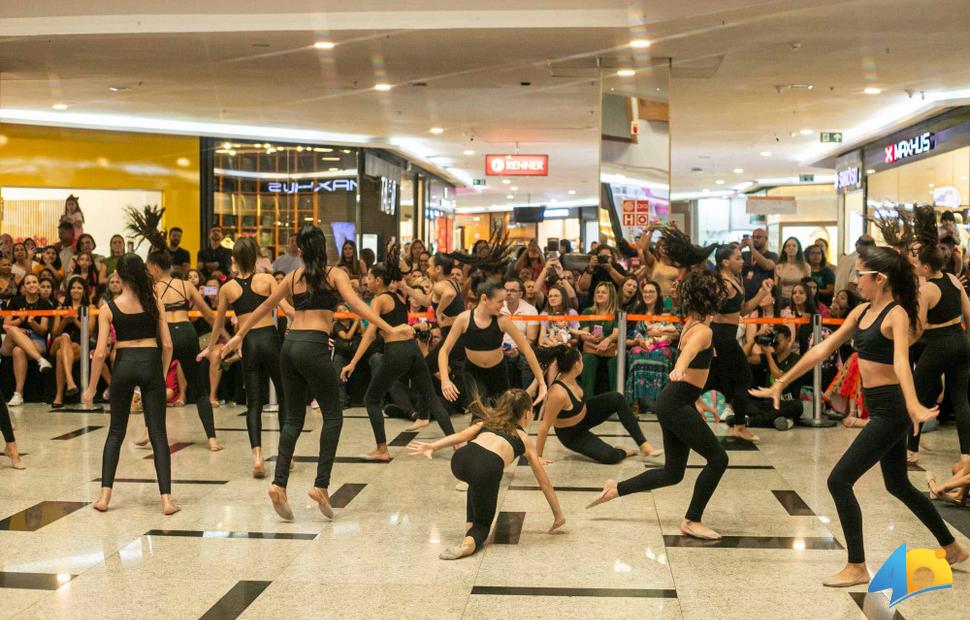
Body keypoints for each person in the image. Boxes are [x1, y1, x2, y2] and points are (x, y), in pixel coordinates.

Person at [751, 245, 969, 586]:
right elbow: (823, 348)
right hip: (881, 407)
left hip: (892, 409)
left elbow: (901, 361)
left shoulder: (896, 314)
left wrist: (912, 404)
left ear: (879, 279)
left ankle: (856, 565)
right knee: (898, 484)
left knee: (839, 480)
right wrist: (781, 382)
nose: (855, 280)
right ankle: (952, 547)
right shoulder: (862, 312)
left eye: (861, 274)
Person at [221, 224, 413, 521]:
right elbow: (358, 305)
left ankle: (279, 483)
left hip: (290, 346)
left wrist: (239, 335)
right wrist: (391, 329)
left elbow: (265, 306)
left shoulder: (294, 276)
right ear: (324, 248)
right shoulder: (335, 274)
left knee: (293, 419)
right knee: (334, 416)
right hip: (313, 346)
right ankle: (321, 486)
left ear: (299, 250)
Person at [587, 268, 729, 540]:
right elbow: (688, 354)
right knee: (719, 459)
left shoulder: (692, 323)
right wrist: (679, 367)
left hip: (677, 399)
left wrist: (697, 402)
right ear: (710, 301)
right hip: (675, 401)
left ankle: (615, 488)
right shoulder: (702, 332)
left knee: (673, 473)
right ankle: (692, 520)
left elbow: (694, 369)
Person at [408, 389, 565, 559]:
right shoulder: (524, 439)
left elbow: (460, 436)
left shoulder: (487, 422)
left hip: (461, 460)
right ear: (527, 414)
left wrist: (433, 446)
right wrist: (558, 515)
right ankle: (468, 545)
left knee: (475, 483)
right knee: (483, 525)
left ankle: (469, 526)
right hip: (486, 467)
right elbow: (544, 483)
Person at [80, 254, 178, 514]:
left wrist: (90, 389)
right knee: (158, 434)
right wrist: (161, 369)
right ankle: (166, 501)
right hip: (150, 361)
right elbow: (168, 344)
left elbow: (100, 353)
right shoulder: (154, 301)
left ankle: (104, 497)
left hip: (123, 364)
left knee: (115, 432)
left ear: (119, 277)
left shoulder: (108, 308)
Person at [340, 248, 456, 461]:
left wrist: (353, 363)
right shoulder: (398, 297)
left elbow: (370, 335)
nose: (366, 281)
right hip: (412, 349)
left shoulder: (379, 300)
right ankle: (456, 444)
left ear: (378, 280)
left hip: (397, 352)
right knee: (431, 398)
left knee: (371, 398)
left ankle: (382, 449)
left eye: (369, 277)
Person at [664, 227, 773, 442]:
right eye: (737, 258)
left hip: (726, 336)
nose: (742, 261)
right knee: (744, 378)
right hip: (721, 337)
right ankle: (739, 425)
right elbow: (710, 308)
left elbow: (741, 311)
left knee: (711, 379)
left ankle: (689, 412)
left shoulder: (735, 280)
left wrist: (762, 292)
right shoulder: (722, 284)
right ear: (725, 262)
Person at [201, 237, 290, 477]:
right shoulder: (268, 279)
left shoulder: (228, 287)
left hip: (248, 343)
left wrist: (211, 348)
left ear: (234, 260)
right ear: (256, 257)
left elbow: (217, 322)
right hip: (271, 340)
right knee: (283, 396)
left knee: (254, 403)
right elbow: (287, 310)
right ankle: (285, 453)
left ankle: (258, 457)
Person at [907, 206, 970, 473]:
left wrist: (902, 344)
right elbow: (968, 312)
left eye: (915, 261)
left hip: (939, 344)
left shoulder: (926, 288)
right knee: (961, 398)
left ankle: (911, 450)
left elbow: (919, 328)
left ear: (924, 266)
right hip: (961, 340)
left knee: (917, 395)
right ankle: (967, 455)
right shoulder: (954, 280)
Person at [146, 251, 223, 451]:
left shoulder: (152, 288)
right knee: (199, 390)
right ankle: (212, 438)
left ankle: (149, 434)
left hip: (165, 337)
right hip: (187, 333)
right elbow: (209, 315)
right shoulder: (186, 285)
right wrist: (227, 337)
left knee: (155, 387)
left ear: (155, 267)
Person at [537, 345, 661, 464]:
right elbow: (544, 426)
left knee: (616, 398)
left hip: (585, 415)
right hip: (572, 434)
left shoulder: (571, 376)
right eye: (581, 359)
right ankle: (625, 451)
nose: (583, 363)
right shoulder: (558, 393)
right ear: (577, 365)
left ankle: (643, 445)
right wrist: (538, 456)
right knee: (610, 457)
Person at [439, 280, 547, 409]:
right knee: (480, 414)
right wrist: (445, 380)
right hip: (473, 372)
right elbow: (444, 351)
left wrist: (541, 382)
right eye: (500, 301)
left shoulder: (503, 320)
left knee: (503, 414)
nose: (503, 306)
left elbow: (527, 350)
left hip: (498, 372)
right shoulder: (464, 319)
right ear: (485, 299)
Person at [2, 273, 55, 405]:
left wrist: (32, 323)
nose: (32, 285)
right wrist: (20, 321)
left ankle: (18, 394)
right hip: (11, 338)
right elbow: (6, 326)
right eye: (28, 283)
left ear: (38, 285)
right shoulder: (15, 301)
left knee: (18, 351)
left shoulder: (45, 303)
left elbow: (43, 331)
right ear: (24, 287)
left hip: (35, 338)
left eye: (34, 282)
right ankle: (40, 360)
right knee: (14, 330)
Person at [625, 280, 678, 410]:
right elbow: (627, 336)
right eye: (645, 292)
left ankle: (661, 401)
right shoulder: (635, 311)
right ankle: (636, 402)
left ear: (658, 294)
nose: (647, 294)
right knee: (636, 353)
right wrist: (638, 342)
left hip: (662, 344)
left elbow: (675, 333)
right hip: (640, 344)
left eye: (651, 291)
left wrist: (659, 338)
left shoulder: (666, 312)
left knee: (662, 354)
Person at [50, 276, 96, 408]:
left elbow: (89, 332)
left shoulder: (90, 307)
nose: (76, 290)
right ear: (69, 290)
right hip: (58, 341)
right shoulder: (61, 307)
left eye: (79, 288)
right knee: (64, 337)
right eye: (73, 288)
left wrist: (75, 320)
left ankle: (59, 396)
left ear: (84, 291)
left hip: (78, 344)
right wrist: (65, 320)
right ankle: (70, 382)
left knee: (61, 354)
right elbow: (54, 333)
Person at [578, 282, 620, 396]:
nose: (599, 294)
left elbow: (617, 333)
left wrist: (607, 340)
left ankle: (616, 400)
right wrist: (592, 338)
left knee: (616, 362)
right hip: (592, 347)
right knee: (587, 360)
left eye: (603, 292)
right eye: (598, 292)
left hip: (610, 349)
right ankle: (588, 402)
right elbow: (583, 334)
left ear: (611, 296)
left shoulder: (617, 313)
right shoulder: (587, 312)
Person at [500, 278, 539, 389]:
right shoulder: (497, 307)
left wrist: (516, 351)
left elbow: (531, 339)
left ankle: (526, 396)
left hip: (520, 349)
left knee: (526, 359)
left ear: (521, 294)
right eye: (506, 290)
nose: (508, 293)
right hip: (498, 348)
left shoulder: (530, 310)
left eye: (512, 290)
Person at [740, 228, 778, 301]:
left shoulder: (772, 255)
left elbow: (767, 266)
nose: (755, 239)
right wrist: (740, 248)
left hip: (764, 297)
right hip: (746, 296)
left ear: (766, 239)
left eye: (758, 237)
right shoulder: (744, 255)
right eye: (753, 237)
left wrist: (752, 248)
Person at [774, 237, 811, 302]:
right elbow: (776, 287)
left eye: (794, 246)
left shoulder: (806, 267)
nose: (791, 248)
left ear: (798, 249)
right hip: (783, 300)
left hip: (800, 300)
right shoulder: (779, 267)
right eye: (788, 246)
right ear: (785, 249)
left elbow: (807, 287)